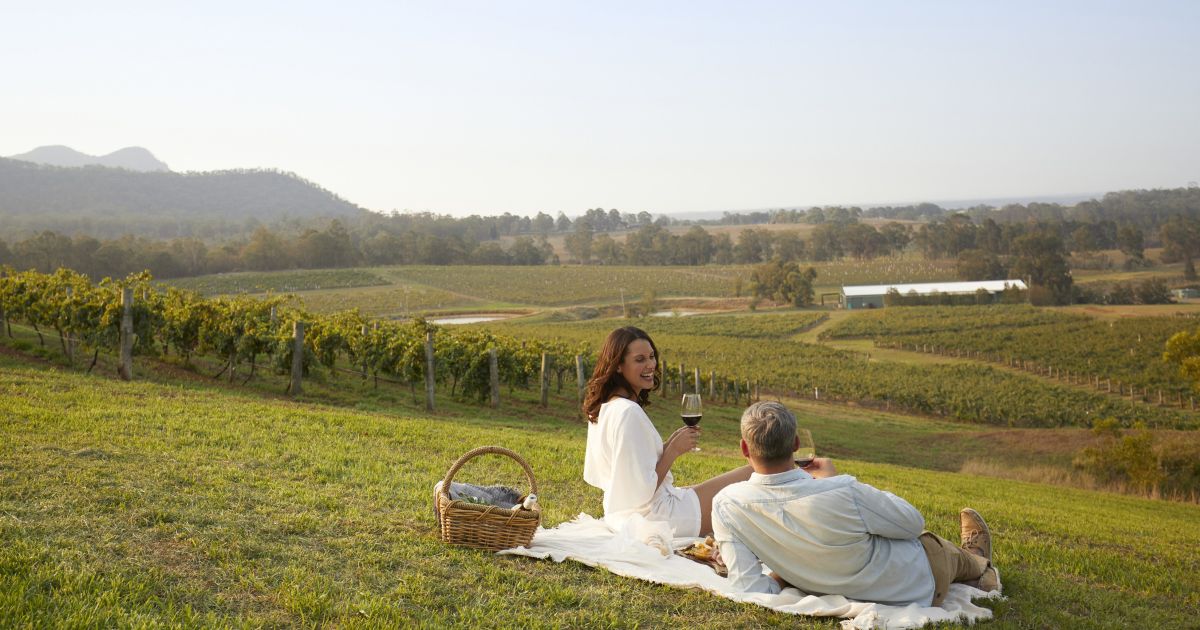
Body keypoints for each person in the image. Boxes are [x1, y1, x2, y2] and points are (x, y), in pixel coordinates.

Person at [712, 401, 1000, 607]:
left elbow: (749, 587)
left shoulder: (727, 505)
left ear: (744, 448)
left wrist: (791, 571)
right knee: (938, 547)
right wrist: (828, 483)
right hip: (915, 585)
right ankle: (978, 562)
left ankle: (973, 561)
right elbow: (912, 524)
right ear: (796, 443)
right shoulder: (843, 490)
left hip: (840, 582)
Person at [582, 326, 753, 537]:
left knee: (745, 478)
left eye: (652, 356)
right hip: (658, 518)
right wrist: (673, 451)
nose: (650, 365)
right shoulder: (628, 412)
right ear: (618, 365)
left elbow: (624, 470)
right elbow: (642, 491)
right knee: (755, 473)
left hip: (620, 514)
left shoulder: (605, 408)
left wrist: (667, 444)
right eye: (640, 359)